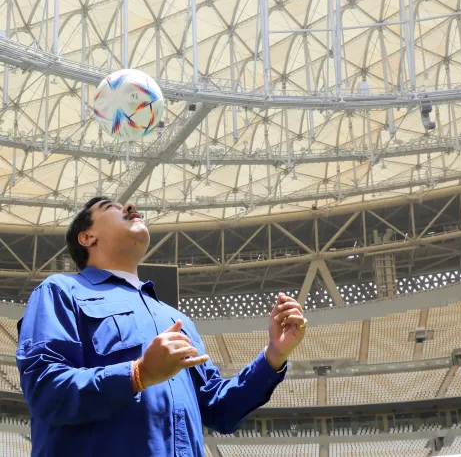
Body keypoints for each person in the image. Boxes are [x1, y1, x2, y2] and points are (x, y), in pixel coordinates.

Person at [16, 196, 308, 457]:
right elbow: (46, 392)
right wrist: (138, 374)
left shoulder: (176, 319)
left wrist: (273, 356)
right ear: (87, 237)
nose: (131, 207)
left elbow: (220, 411)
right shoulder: (60, 291)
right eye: (112, 207)